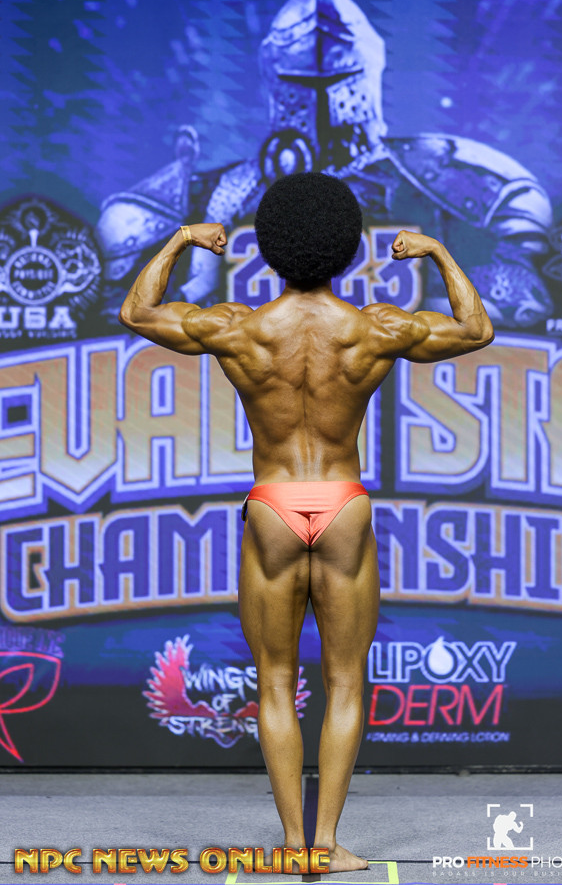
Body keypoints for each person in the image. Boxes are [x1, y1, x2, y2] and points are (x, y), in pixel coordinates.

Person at [118, 172, 494, 873]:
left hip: (274, 506)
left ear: (270, 247)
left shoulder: (240, 328)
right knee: (346, 682)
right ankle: (326, 844)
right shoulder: (374, 328)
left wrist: (182, 239)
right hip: (343, 503)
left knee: (275, 681)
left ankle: (293, 844)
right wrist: (439, 252)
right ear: (348, 248)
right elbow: (476, 329)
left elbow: (138, 313)